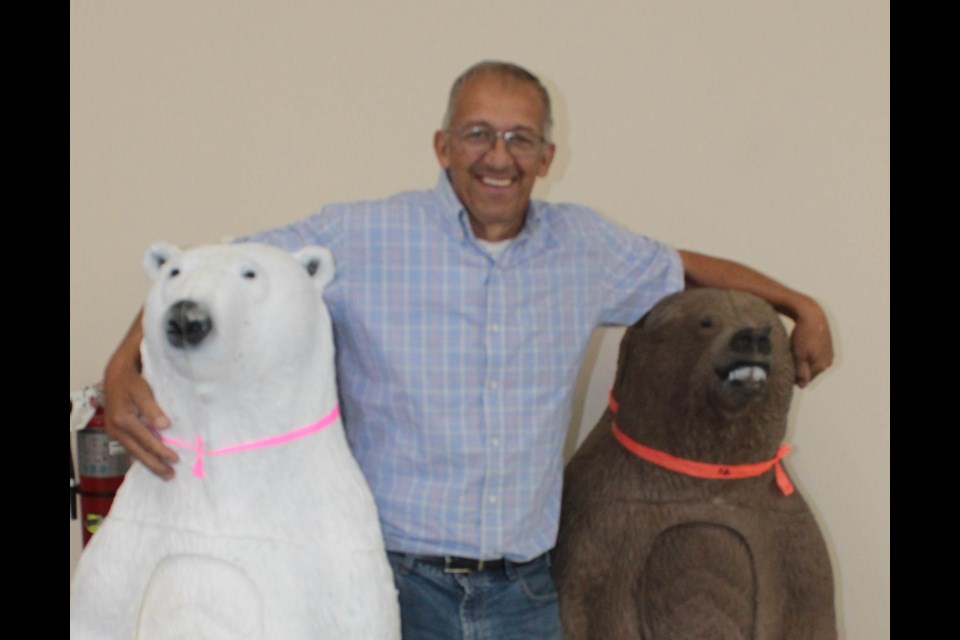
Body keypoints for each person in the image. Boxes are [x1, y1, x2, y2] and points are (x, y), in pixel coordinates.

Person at [102, 61, 833, 639]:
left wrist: (799, 305)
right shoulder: (363, 237)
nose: (498, 156)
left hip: (523, 591)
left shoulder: (587, 249)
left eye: (519, 138)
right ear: (442, 145)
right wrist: (122, 364)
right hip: (392, 583)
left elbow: (686, 267)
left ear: (547, 155)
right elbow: (220, 268)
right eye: (478, 132)